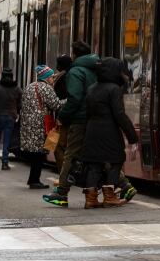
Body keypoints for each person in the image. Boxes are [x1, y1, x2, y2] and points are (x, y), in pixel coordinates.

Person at [43, 42, 99, 207]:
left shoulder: (75, 72)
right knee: (98, 154)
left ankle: (61, 193)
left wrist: (63, 116)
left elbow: (74, 98)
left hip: (79, 119)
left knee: (70, 155)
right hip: (94, 118)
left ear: (75, 54)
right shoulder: (96, 68)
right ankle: (121, 185)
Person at [77, 58, 139, 208]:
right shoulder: (113, 89)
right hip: (109, 131)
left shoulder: (92, 88)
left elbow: (86, 114)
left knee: (93, 165)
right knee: (115, 161)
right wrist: (132, 136)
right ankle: (109, 196)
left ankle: (90, 199)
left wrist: (84, 134)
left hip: (92, 130)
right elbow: (119, 114)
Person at [20, 65, 62, 189]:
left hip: (28, 124)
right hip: (40, 125)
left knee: (35, 153)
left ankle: (32, 179)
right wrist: (68, 101)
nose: (53, 79)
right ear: (47, 77)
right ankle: (34, 180)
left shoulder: (29, 86)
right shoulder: (46, 88)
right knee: (39, 154)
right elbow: (56, 105)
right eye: (52, 77)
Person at [0, 67, 22, 170]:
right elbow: (21, 102)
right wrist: (17, 110)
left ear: (2, 76)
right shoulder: (16, 88)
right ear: (11, 77)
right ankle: (5, 163)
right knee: (6, 140)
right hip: (11, 116)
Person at [51, 54, 72, 175]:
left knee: (59, 146)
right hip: (65, 116)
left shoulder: (65, 77)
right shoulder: (65, 76)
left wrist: (60, 116)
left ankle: (64, 176)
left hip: (64, 117)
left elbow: (66, 98)